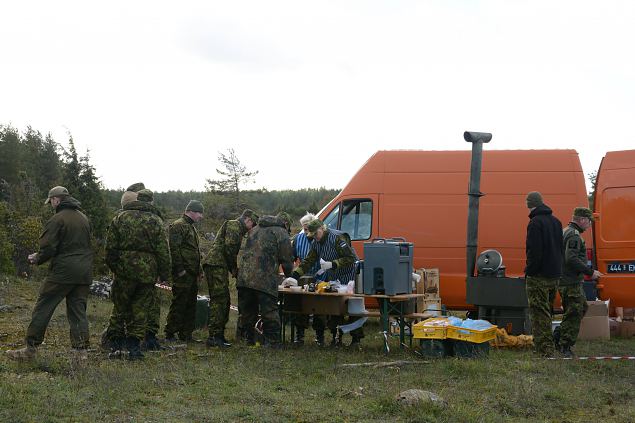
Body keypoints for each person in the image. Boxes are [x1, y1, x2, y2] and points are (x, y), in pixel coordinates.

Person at [6, 186, 93, 361]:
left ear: (56, 200)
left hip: (63, 272)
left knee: (43, 306)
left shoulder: (57, 219)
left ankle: (30, 349)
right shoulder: (84, 218)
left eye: (51, 201)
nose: (51, 205)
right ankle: (80, 353)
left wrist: (37, 258)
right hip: (84, 272)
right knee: (78, 310)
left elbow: (48, 247)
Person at [105, 189, 171, 360]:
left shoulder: (120, 218)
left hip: (124, 270)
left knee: (120, 306)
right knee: (141, 309)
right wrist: (163, 274)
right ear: (151, 202)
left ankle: (115, 343)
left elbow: (110, 247)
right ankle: (134, 347)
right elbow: (163, 251)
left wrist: (116, 267)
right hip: (147, 272)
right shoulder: (155, 221)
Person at [290, 218, 362, 346]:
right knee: (335, 307)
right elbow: (308, 261)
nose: (315, 238)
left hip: (349, 275)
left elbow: (350, 258)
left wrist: (334, 263)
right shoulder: (316, 242)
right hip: (334, 276)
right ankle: (336, 337)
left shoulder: (337, 238)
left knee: (352, 307)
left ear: (322, 228)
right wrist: (295, 276)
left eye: (316, 234)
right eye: (312, 236)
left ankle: (356, 339)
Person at [236, 212, 294, 347]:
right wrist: (290, 277)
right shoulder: (281, 232)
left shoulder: (254, 230)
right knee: (269, 312)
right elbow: (286, 259)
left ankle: (247, 340)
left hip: (244, 279)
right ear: (286, 223)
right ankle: (272, 343)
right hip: (264, 280)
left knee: (248, 312)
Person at [202, 209, 259, 347]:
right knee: (220, 300)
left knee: (224, 300)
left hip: (218, 265)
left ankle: (218, 335)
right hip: (216, 264)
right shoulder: (234, 226)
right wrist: (234, 269)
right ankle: (214, 337)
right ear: (248, 220)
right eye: (253, 224)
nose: (252, 228)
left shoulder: (236, 227)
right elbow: (230, 249)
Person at [556, 207, 603, 357]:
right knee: (574, 312)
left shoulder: (565, 231)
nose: (589, 225)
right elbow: (572, 259)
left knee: (580, 307)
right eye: (589, 222)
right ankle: (565, 346)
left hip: (567, 279)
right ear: (582, 220)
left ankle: (558, 336)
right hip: (570, 282)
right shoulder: (574, 235)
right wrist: (590, 272)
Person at [524, 191, 563, 357]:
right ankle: (548, 347)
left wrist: (529, 271)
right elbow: (560, 249)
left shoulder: (535, 223)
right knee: (548, 310)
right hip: (554, 275)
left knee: (539, 313)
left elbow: (534, 252)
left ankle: (544, 350)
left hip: (538, 276)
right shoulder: (556, 222)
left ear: (530, 203)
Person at [164, 200, 204, 342]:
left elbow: (194, 251)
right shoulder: (178, 225)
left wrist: (199, 270)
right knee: (179, 303)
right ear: (191, 211)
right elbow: (174, 250)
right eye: (199, 212)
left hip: (192, 273)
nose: (201, 216)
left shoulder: (191, 227)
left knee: (191, 304)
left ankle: (186, 334)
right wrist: (180, 270)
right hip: (183, 273)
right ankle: (170, 332)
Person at [290, 212, 324, 345]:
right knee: (301, 306)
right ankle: (300, 335)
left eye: (307, 228)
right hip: (303, 276)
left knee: (319, 307)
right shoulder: (299, 238)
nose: (305, 231)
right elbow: (293, 256)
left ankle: (319, 336)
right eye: (303, 229)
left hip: (320, 275)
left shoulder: (320, 238)